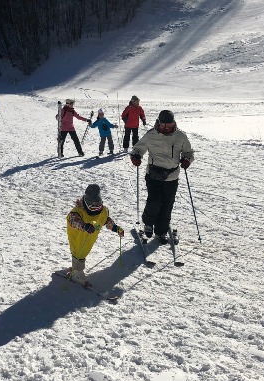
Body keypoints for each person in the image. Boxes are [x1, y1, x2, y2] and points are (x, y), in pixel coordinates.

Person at [130, 110, 193, 244]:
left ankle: (161, 230)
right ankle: (148, 224)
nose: (165, 128)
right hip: (153, 175)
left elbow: (188, 152)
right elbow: (138, 148)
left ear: (173, 124)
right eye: (163, 125)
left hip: (172, 176)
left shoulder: (180, 136)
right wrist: (136, 156)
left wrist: (187, 159)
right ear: (158, 123)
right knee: (154, 200)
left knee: (167, 204)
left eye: (168, 126)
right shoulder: (151, 134)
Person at [66, 184, 125, 285]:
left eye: (98, 205)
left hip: (89, 239)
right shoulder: (78, 212)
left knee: (83, 253)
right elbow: (73, 220)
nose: (95, 208)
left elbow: (105, 220)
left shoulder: (102, 212)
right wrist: (84, 226)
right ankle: (77, 273)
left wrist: (116, 228)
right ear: (85, 203)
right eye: (92, 206)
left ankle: (75, 269)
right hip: (78, 237)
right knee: (78, 253)